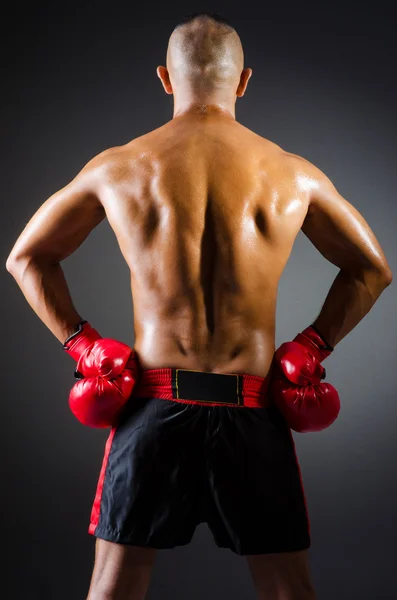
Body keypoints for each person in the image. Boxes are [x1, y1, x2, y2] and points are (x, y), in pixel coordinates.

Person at [6, 11, 392, 600]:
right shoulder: (293, 175)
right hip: (253, 408)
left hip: (154, 406)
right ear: (243, 81)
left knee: (113, 589)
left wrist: (83, 347)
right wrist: (313, 347)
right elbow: (373, 268)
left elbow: (25, 258)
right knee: (289, 591)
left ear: (165, 78)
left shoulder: (119, 168)